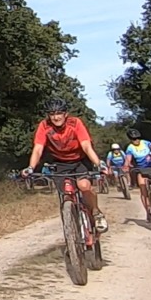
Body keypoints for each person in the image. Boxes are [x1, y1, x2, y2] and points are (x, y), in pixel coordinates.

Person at [22, 98, 109, 232]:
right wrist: (31, 167)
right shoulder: (44, 126)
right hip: (60, 163)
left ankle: (96, 213)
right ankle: (71, 230)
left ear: (66, 114)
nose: (56, 117)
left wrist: (99, 163)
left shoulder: (75, 123)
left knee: (84, 186)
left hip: (80, 160)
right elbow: (38, 148)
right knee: (66, 192)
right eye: (52, 114)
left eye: (59, 113)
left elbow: (86, 146)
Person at [123, 128, 151, 220]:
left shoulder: (146, 143)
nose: (136, 140)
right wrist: (127, 165)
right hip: (141, 169)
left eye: (138, 138)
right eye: (134, 139)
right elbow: (128, 159)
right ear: (131, 140)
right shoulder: (130, 148)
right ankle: (148, 212)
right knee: (142, 188)